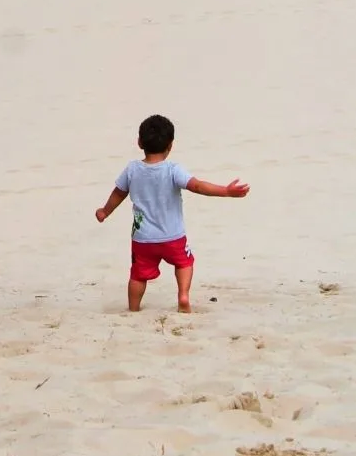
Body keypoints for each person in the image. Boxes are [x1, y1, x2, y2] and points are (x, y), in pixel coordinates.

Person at [95, 113, 249, 313]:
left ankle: (133, 308)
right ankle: (183, 295)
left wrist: (105, 211)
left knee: (138, 275)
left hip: (143, 239)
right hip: (173, 236)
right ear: (170, 145)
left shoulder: (132, 169)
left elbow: (119, 193)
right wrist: (226, 192)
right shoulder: (172, 169)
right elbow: (198, 186)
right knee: (184, 263)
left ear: (140, 142)